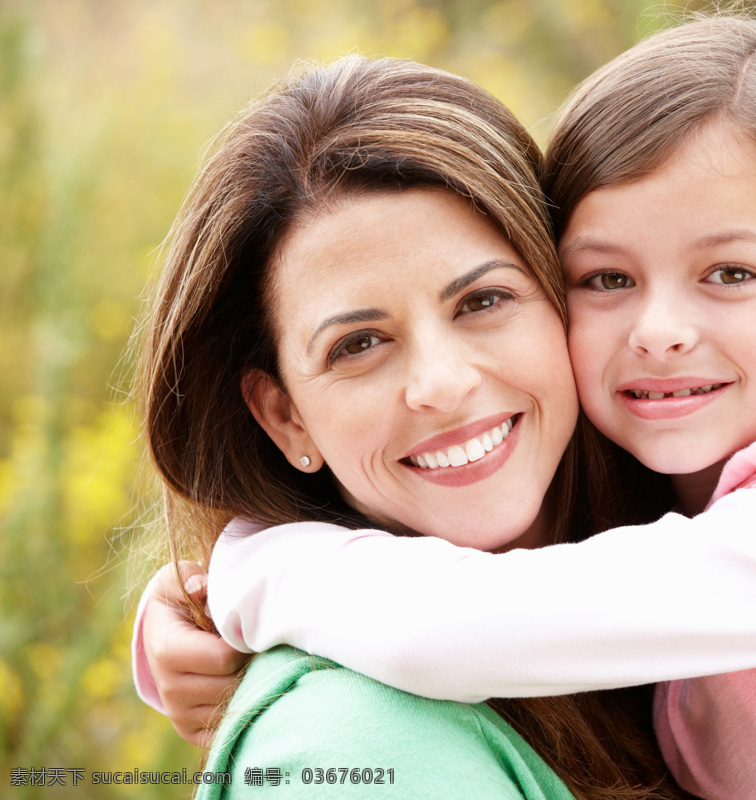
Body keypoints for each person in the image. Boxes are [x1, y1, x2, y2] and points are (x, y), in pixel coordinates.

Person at [139, 15, 756, 799]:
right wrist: (181, 620)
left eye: (731, 273)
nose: (659, 329)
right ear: (282, 414)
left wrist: (252, 567)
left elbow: (467, 627)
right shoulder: (677, 488)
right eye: (606, 279)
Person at [132, 53, 687, 800]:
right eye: (357, 344)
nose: (443, 385)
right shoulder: (352, 751)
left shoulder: (704, 512)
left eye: (483, 301)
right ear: (285, 416)